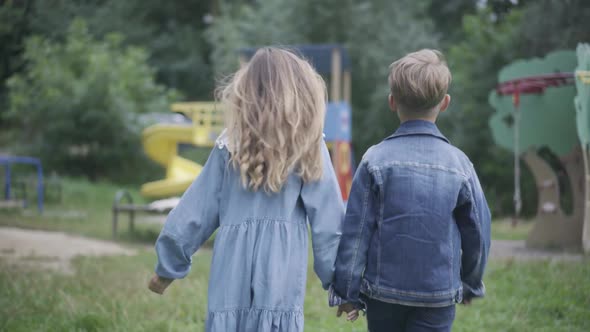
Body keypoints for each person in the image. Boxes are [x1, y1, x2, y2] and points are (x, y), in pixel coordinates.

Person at [148, 47, 344, 332]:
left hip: (231, 271)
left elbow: (194, 211)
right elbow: (329, 227)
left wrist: (168, 267)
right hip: (280, 272)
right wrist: (340, 284)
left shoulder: (230, 146)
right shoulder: (309, 147)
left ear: (247, 94)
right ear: (303, 93)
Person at [330, 49, 491, 331]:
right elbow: (478, 230)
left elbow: (356, 235)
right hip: (438, 296)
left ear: (392, 102)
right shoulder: (460, 164)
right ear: (445, 103)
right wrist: (471, 282)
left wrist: (347, 292)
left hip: (383, 294)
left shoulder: (373, 160)